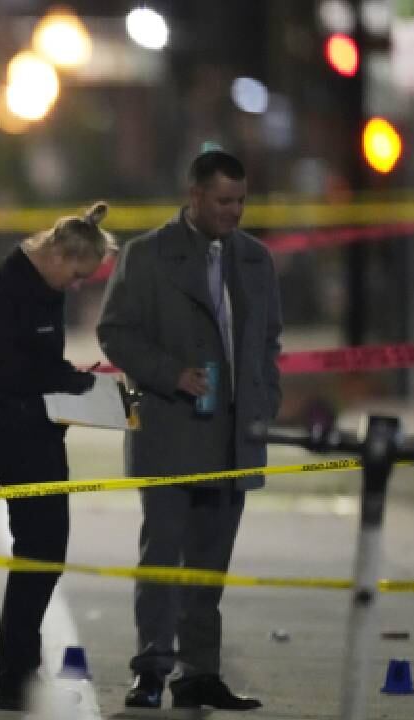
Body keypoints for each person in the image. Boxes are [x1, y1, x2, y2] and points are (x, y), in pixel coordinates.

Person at [97, 149, 282, 710]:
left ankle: (200, 674)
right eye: (224, 201)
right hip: (171, 433)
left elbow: (269, 340)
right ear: (194, 196)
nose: (235, 211)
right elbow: (115, 332)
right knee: (163, 558)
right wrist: (170, 374)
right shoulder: (147, 256)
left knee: (209, 566)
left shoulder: (255, 259)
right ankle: (151, 669)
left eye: (241, 201)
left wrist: (264, 399)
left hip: (234, 437)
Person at [0, 202, 117, 711]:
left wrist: (68, 381)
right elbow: (4, 371)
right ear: (57, 255)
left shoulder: (42, 290)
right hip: (14, 435)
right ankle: (13, 678)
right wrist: (71, 380)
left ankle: (19, 671)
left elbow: (36, 364)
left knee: (44, 556)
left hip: (39, 432)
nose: (77, 285)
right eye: (77, 274)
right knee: (38, 555)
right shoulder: (4, 291)